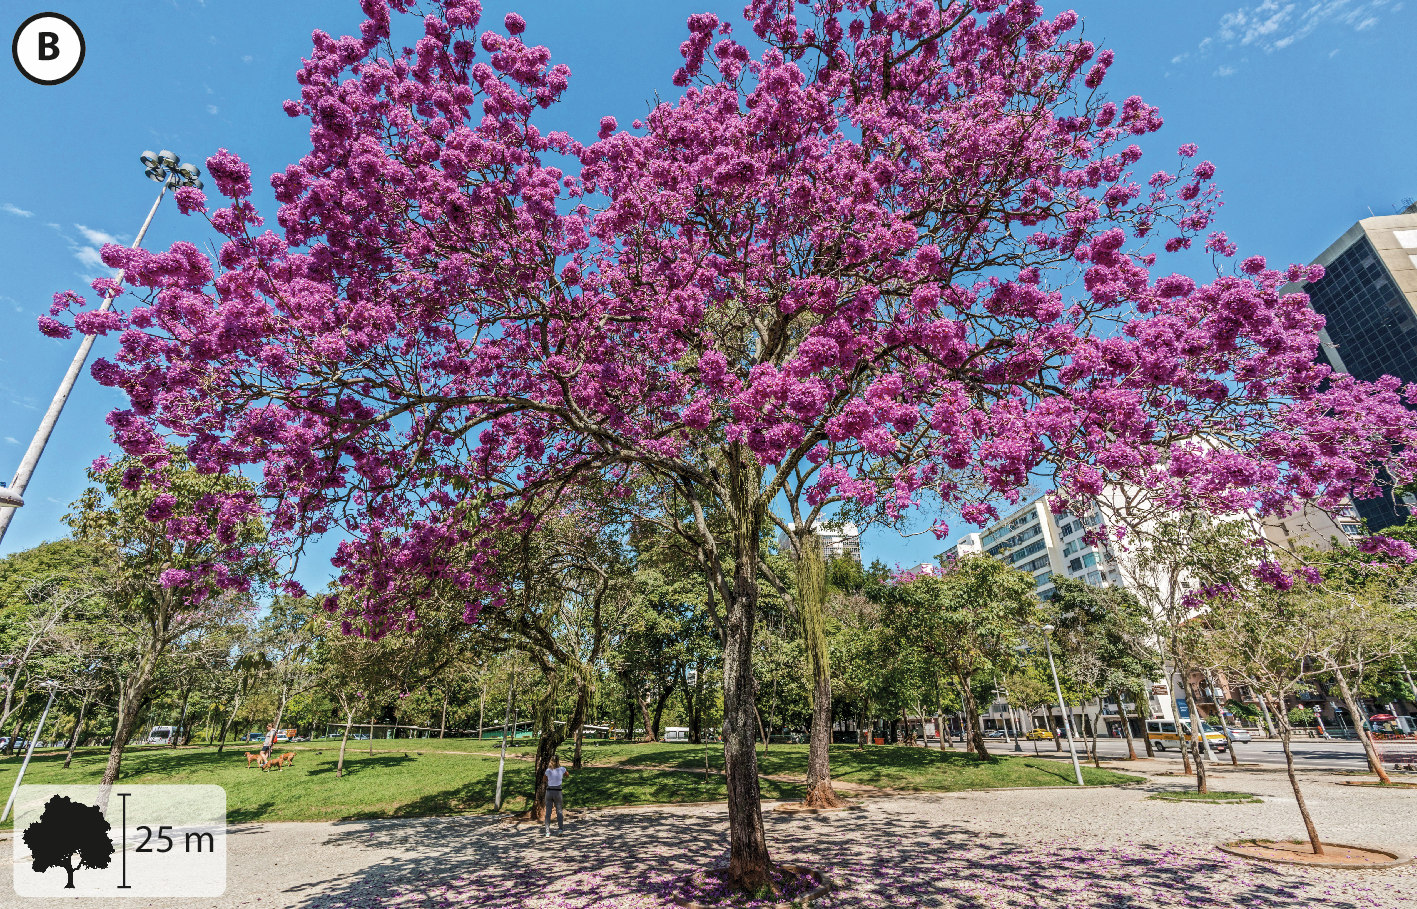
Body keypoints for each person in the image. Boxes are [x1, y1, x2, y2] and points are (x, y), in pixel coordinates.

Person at [543, 756, 567, 837]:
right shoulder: (562, 769)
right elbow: (567, 775)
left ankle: (547, 831)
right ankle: (560, 829)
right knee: (559, 811)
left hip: (549, 791)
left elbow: (544, 779)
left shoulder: (548, 770)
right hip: (558, 791)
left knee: (548, 812)